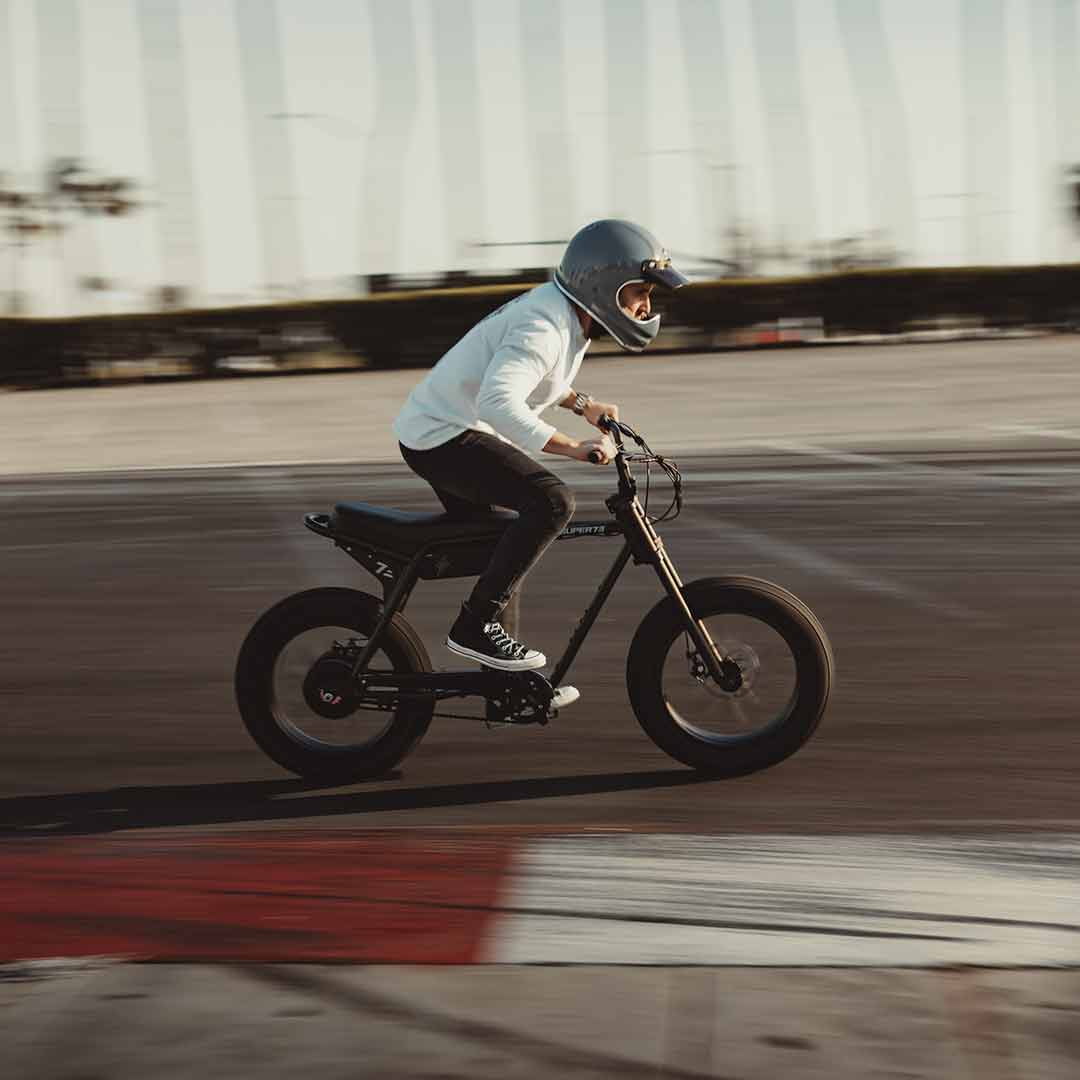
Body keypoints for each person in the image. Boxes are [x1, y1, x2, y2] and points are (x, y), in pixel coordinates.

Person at [393, 218, 688, 703]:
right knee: (550, 501)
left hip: (446, 428)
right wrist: (570, 446)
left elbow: (538, 378)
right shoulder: (545, 324)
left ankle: (505, 684)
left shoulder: (564, 316)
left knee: (506, 538)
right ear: (605, 283)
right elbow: (498, 402)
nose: (646, 306)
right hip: (442, 436)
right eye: (642, 291)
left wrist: (581, 404)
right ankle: (475, 627)